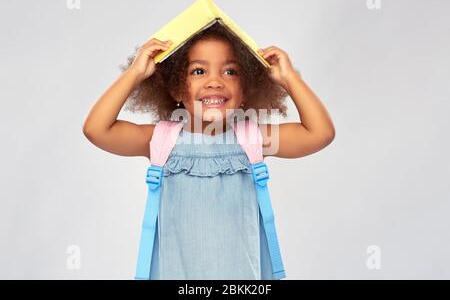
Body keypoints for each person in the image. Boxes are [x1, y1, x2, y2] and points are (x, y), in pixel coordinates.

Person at [82, 22, 335, 279]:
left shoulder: (253, 139)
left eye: (230, 72)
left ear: (245, 89)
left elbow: (320, 133)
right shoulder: (161, 140)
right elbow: (97, 129)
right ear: (177, 88)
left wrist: (290, 78)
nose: (214, 82)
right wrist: (135, 73)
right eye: (199, 71)